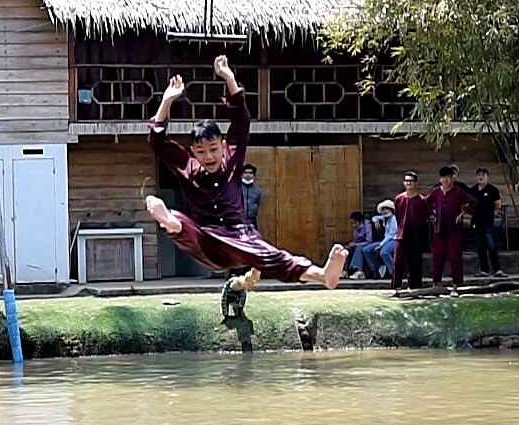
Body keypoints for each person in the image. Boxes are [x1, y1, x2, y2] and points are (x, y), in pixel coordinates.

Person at [144, 56, 348, 292]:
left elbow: (241, 120)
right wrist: (167, 100)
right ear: (193, 152)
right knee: (181, 223)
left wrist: (229, 77)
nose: (208, 157)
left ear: (222, 145)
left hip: (240, 237)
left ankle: (323, 275)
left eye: (213, 149)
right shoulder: (187, 167)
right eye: (201, 152)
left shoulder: (232, 156)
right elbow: (158, 141)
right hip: (207, 241)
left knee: (269, 255)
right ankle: (171, 223)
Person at [424, 165, 478, 296]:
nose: (446, 181)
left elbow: (473, 202)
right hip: (439, 230)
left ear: (452, 179)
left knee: (455, 258)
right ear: (440, 179)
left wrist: (463, 214)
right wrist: (433, 211)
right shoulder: (436, 191)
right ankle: (435, 285)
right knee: (437, 258)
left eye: (448, 178)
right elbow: (425, 202)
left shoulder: (458, 191)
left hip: (454, 230)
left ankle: (455, 287)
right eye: (444, 178)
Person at [392, 171, 431, 292]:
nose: (408, 183)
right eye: (406, 181)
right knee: (398, 261)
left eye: (411, 181)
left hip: (416, 235)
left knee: (415, 262)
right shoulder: (399, 199)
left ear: (415, 183)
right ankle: (396, 286)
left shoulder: (422, 200)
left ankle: (415, 287)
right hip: (401, 234)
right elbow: (397, 215)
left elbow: (425, 216)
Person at [468, 168, 505, 277]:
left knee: (491, 245)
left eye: (483, 175)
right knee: (480, 247)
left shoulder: (493, 190)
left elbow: (498, 204)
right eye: (478, 175)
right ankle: (484, 270)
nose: (480, 177)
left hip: (488, 221)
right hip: (476, 221)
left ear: (487, 176)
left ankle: (497, 269)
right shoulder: (473, 190)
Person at [362, 200, 397, 279]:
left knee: (384, 252)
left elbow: (391, 235)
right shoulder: (385, 218)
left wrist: (381, 245)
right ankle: (376, 269)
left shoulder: (393, 219)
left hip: (394, 240)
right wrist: (376, 221)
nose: (384, 211)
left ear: (391, 210)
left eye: (386, 209)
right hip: (385, 240)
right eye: (383, 209)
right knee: (366, 250)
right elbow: (375, 217)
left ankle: (394, 271)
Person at [344, 211, 372, 277]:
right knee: (346, 250)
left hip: (369, 244)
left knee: (358, 249)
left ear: (360, 221)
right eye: (352, 223)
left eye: (355, 223)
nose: (353, 225)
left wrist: (355, 244)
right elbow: (356, 240)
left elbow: (369, 240)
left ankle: (360, 271)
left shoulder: (367, 226)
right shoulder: (356, 229)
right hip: (359, 244)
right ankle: (345, 271)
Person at [240, 164, 262, 228]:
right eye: (245, 173)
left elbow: (258, 205)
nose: (248, 175)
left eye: (250, 173)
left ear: (254, 175)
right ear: (242, 174)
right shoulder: (237, 190)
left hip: (252, 222)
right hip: (239, 221)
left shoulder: (258, 191)